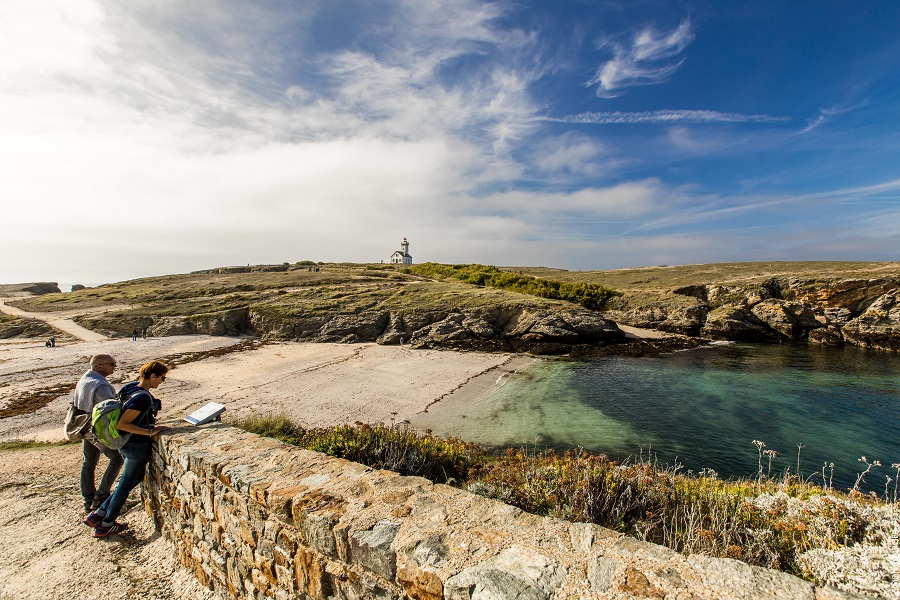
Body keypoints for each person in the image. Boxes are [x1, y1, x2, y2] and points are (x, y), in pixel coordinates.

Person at [84, 360, 171, 538]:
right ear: (152, 376)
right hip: (135, 446)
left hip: (125, 445)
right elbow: (123, 424)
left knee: (131, 479)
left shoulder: (130, 387)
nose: (162, 382)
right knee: (125, 484)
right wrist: (150, 431)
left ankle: (98, 515)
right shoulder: (142, 397)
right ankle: (106, 523)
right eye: (162, 378)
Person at [73, 355, 124, 513]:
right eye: (111, 364)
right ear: (99, 366)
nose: (114, 367)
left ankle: (88, 499)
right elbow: (110, 407)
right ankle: (100, 498)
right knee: (117, 458)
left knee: (88, 462)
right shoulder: (99, 384)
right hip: (96, 428)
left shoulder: (85, 379)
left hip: (84, 425)